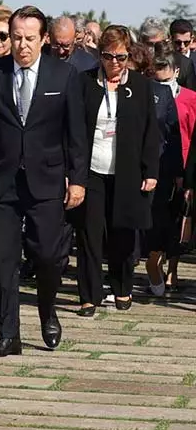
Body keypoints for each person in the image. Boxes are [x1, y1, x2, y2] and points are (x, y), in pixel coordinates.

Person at [0, 6, 88, 357]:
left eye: (29, 39)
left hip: (47, 179)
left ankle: (48, 310)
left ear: (44, 39)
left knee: (48, 256)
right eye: (15, 37)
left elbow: (76, 134)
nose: (21, 45)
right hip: (1, 179)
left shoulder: (63, 76)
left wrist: (77, 180)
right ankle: (8, 335)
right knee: (3, 260)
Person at [75, 27, 158, 315]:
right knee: (89, 233)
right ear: (100, 55)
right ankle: (89, 294)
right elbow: (72, 129)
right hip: (92, 169)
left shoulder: (141, 86)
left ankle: (122, 287)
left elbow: (151, 132)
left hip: (127, 171)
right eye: (109, 56)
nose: (114, 63)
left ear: (128, 56)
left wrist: (151, 171)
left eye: (121, 57)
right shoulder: (84, 83)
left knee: (122, 233)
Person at [146, 44, 188, 294]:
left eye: (164, 66)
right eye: (156, 66)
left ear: (175, 69)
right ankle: (153, 261)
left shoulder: (189, 98)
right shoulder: (147, 91)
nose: (159, 71)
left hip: (175, 164)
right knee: (153, 218)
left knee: (172, 219)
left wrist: (184, 172)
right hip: (151, 164)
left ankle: (172, 269)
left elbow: (183, 135)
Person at [142, 17, 196, 90]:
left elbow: (189, 97)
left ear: (167, 40)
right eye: (149, 44)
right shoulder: (137, 63)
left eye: (158, 44)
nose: (154, 48)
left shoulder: (184, 64)